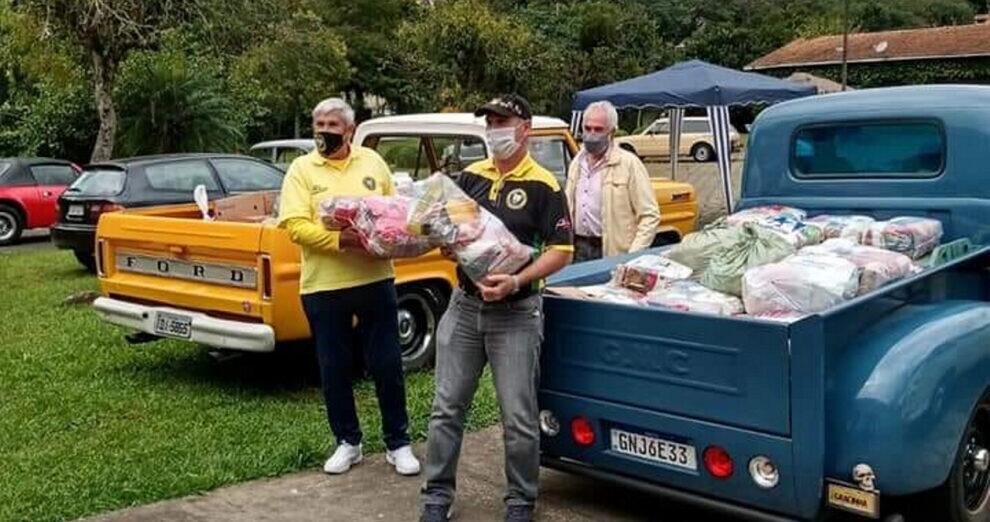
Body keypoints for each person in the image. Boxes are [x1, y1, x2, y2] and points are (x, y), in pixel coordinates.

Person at [420, 95, 573, 522]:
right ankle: (436, 496)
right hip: (464, 308)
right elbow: (453, 235)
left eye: (501, 120)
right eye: (488, 121)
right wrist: (448, 247)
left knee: (518, 414)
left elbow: (562, 250)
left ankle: (521, 500)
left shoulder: (545, 184)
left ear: (524, 127)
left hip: (517, 314)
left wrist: (517, 279)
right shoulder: (469, 177)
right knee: (447, 407)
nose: (493, 129)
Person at [278, 97, 420, 477]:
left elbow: (394, 213)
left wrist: (390, 235)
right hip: (323, 286)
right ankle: (348, 442)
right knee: (334, 366)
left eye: (331, 125)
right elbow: (294, 225)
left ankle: (398, 442)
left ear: (350, 130)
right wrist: (342, 241)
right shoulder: (301, 170)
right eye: (318, 125)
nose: (324, 132)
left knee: (388, 363)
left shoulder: (372, 162)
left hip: (375, 278)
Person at [565, 101, 660, 262]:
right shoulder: (576, 163)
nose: (592, 134)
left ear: (612, 132)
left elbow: (650, 216)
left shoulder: (629, 164)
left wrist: (633, 256)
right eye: (587, 128)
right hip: (578, 248)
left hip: (612, 253)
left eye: (598, 129)